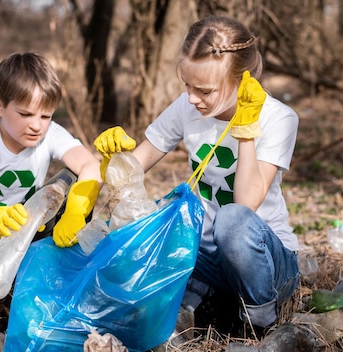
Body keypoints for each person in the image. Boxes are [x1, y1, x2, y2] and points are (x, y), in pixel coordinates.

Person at [94, 16, 299, 332]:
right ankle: (211, 304)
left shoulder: (279, 118)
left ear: (242, 81)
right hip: (205, 260)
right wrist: (114, 160)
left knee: (230, 221)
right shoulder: (189, 106)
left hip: (267, 265)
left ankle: (259, 322)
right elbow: (139, 162)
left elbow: (245, 205)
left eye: (204, 90)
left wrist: (245, 129)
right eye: (187, 86)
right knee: (155, 215)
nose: (192, 99)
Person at [0, 52, 101, 311]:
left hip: (26, 227)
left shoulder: (50, 134)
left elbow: (91, 164)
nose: (37, 125)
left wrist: (77, 211)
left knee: (76, 177)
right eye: (25, 114)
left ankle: (65, 264)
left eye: (45, 116)